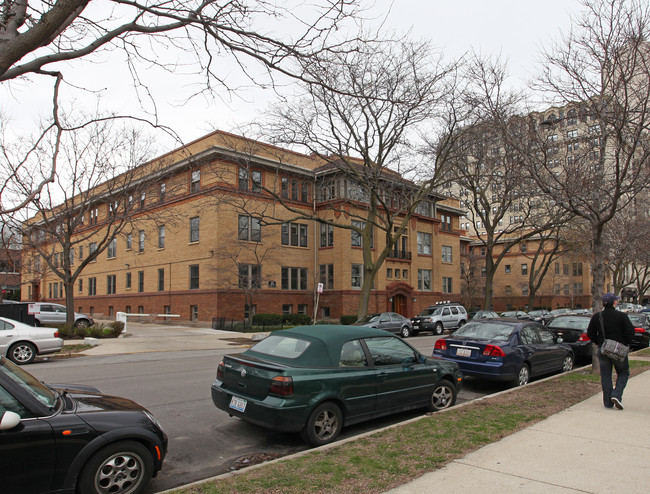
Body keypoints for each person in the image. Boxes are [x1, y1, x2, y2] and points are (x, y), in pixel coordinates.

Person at [587, 293, 635, 410]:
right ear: (614, 302)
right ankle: (616, 394)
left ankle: (608, 402)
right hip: (619, 349)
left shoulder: (597, 317)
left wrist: (599, 342)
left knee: (605, 375)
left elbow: (590, 333)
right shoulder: (622, 316)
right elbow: (630, 332)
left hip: (603, 349)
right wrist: (626, 343)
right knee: (623, 373)